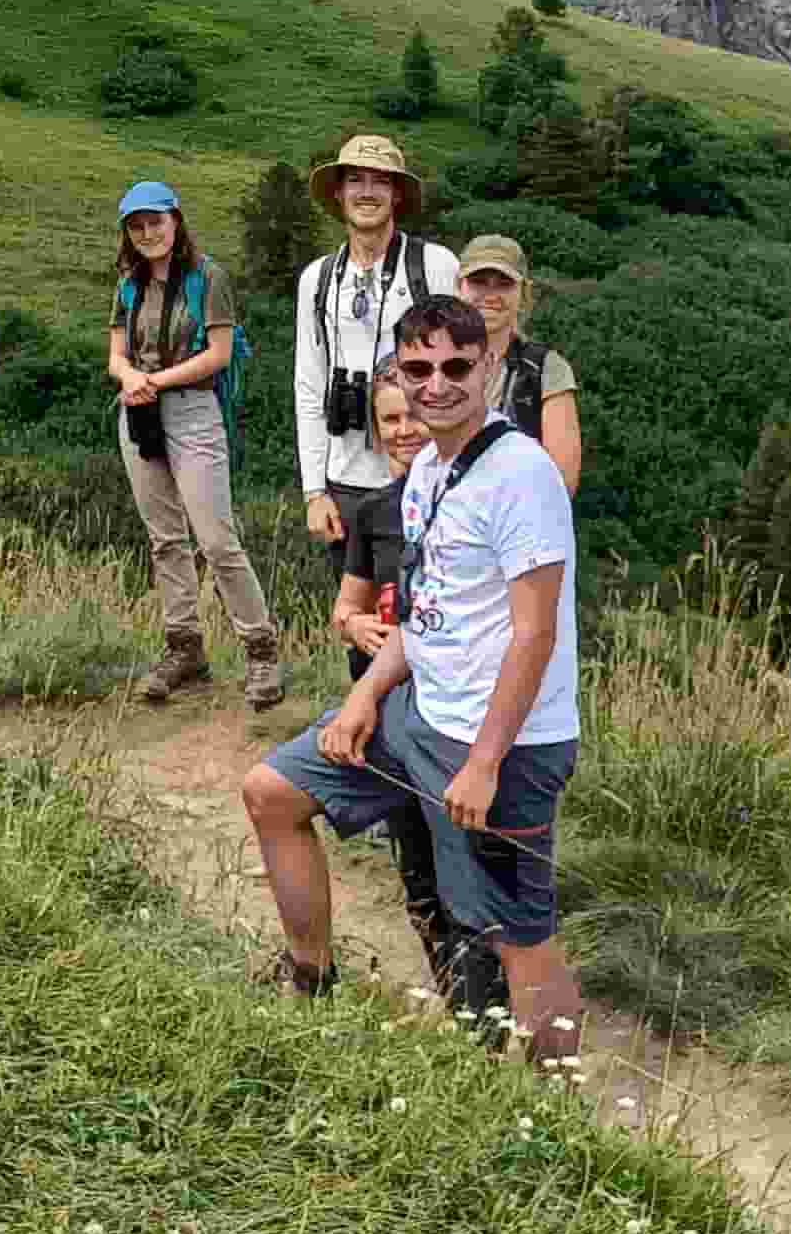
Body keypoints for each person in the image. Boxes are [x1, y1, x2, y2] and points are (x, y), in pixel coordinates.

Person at [243, 294, 587, 1071]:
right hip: (418, 713)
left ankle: (558, 1111)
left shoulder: (520, 476)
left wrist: (486, 761)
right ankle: (311, 979)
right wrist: (364, 698)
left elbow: (534, 634)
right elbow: (425, 609)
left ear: (490, 369)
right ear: (399, 369)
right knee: (271, 793)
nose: (437, 385)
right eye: (419, 368)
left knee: (520, 933)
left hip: (505, 742)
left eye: (458, 367)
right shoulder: (429, 468)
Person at [325, 359, 511, 1029]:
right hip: (383, 715)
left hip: (454, 715)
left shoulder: (473, 498)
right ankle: (463, 1010)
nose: (403, 430)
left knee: (471, 866)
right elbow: (344, 607)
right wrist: (355, 623)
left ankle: (488, 1020)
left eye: (409, 414)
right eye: (389, 420)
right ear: (375, 433)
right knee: (418, 873)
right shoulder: (373, 511)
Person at [113, 182, 285, 708]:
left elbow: (219, 354)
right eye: (137, 225)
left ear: (175, 221)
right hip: (138, 410)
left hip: (191, 408)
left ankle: (261, 650)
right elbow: (115, 353)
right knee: (165, 537)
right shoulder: (128, 282)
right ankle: (183, 647)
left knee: (215, 536)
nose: (148, 232)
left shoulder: (208, 277)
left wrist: (154, 381)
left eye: (156, 222)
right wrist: (129, 379)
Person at [292, 132, 459, 554]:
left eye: (380, 181)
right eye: (356, 180)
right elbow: (310, 386)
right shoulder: (318, 278)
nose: (367, 192)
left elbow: (465, 373)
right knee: (351, 615)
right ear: (339, 192)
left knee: (419, 612)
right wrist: (314, 491)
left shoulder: (435, 266)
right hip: (343, 483)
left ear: (397, 194)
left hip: (422, 478)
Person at [454, 234, 584, 494]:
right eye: (479, 281)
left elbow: (562, 482)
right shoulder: (428, 361)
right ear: (459, 287)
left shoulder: (547, 369)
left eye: (504, 283)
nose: (490, 295)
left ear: (523, 293)